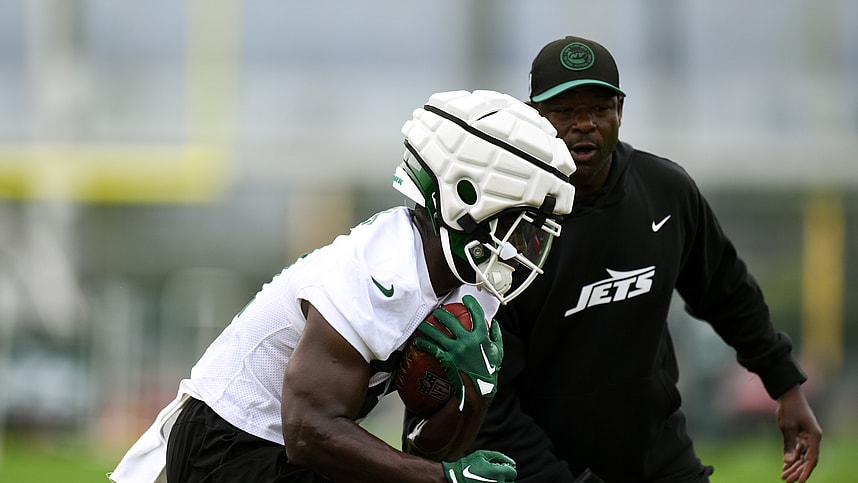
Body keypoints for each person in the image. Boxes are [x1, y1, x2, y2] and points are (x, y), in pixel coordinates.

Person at [107, 89, 577, 483]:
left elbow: (422, 447)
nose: (527, 247)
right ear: (468, 198)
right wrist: (443, 479)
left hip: (292, 446)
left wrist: (472, 395)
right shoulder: (386, 267)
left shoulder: (470, 283)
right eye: (523, 225)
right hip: (231, 439)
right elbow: (307, 429)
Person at [464, 36, 823, 483]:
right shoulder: (502, 230)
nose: (584, 125)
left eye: (598, 108)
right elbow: (490, 404)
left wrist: (786, 387)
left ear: (620, 110)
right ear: (533, 116)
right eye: (564, 112)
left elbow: (728, 292)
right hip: (552, 469)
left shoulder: (665, 191)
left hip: (660, 460)